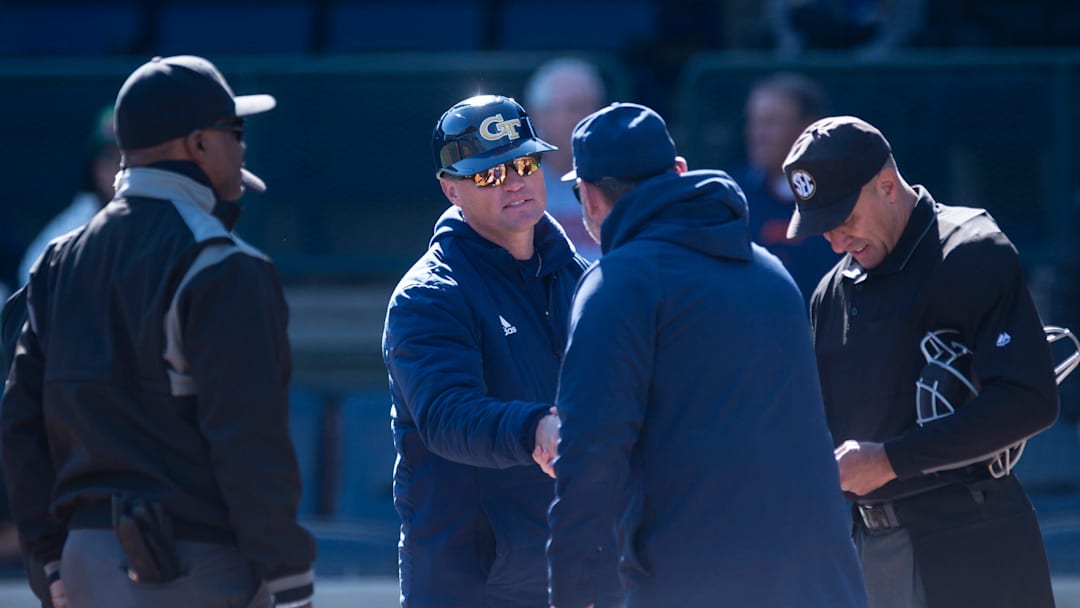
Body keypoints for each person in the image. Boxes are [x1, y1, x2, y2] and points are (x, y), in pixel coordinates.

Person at [1, 55, 316, 608]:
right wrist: (289, 578)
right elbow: (250, 443)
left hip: (84, 570)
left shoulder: (54, 263)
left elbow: (21, 424)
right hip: (201, 567)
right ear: (197, 146)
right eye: (233, 132)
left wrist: (48, 559)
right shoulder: (224, 265)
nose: (242, 148)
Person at [545, 102, 868, 608]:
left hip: (695, 584)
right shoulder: (771, 274)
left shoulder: (616, 285)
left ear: (587, 193)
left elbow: (590, 459)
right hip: (822, 581)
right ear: (678, 172)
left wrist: (572, 591)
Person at [783, 115, 1059, 607]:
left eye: (843, 219)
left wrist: (889, 461)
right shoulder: (830, 292)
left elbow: (1029, 400)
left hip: (975, 543)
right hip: (866, 550)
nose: (836, 242)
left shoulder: (969, 250)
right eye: (823, 228)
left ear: (887, 186)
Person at [382, 94, 619, 608]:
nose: (513, 181)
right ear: (452, 192)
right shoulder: (429, 294)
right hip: (469, 586)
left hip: (575, 573)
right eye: (488, 175)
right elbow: (446, 417)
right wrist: (536, 428)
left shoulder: (580, 278)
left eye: (523, 162)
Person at [733, 72, 837, 303]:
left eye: (771, 122)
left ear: (809, 127)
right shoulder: (732, 196)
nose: (757, 135)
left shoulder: (845, 195)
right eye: (753, 122)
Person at [18, 105, 121, 286]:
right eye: (110, 157)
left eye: (126, 157)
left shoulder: (168, 219)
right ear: (94, 167)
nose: (118, 168)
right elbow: (29, 280)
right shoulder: (72, 228)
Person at [523, 57, 606, 261]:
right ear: (540, 115)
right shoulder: (514, 181)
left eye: (593, 106)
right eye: (574, 108)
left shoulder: (620, 178)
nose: (587, 118)